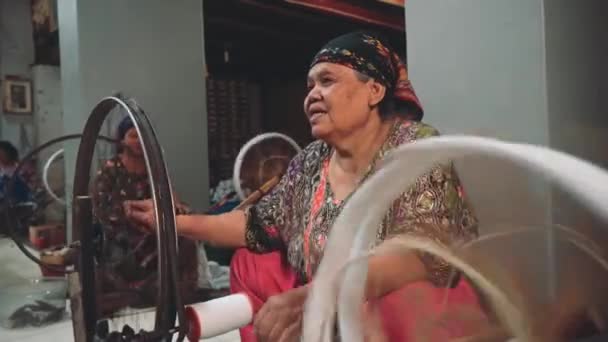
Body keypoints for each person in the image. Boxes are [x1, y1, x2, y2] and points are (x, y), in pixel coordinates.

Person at [125, 31, 483, 341]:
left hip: (401, 316)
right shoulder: (311, 161)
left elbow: (423, 256)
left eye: (327, 81)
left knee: (396, 303)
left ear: (374, 90)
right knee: (252, 263)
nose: (312, 94)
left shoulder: (414, 148)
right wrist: (175, 223)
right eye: (310, 85)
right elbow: (256, 224)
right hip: (327, 305)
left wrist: (322, 294)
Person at [92, 117, 198, 301]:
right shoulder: (109, 170)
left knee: (186, 238)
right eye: (133, 136)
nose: (139, 141)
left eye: (143, 136)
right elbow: (101, 211)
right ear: (122, 140)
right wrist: (132, 214)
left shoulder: (155, 169)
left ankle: (179, 295)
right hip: (121, 236)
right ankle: (133, 294)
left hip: (153, 232)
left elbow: (172, 200)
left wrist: (180, 210)